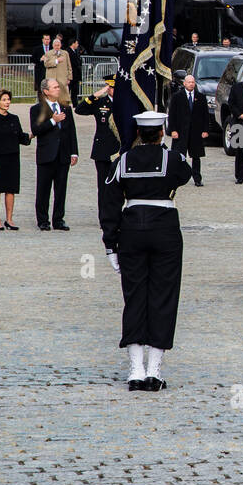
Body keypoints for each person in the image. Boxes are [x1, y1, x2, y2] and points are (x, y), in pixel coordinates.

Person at [100, 110, 194, 391]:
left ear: (139, 133)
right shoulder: (172, 159)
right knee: (163, 297)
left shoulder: (122, 161)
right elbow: (185, 174)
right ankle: (154, 370)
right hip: (164, 229)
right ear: (161, 132)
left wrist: (109, 243)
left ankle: (135, 370)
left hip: (131, 230)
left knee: (135, 297)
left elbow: (109, 202)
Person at [75, 77, 121, 251]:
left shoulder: (125, 103)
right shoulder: (100, 102)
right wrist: (94, 95)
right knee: (103, 187)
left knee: (118, 187)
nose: (114, 91)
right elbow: (80, 109)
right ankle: (105, 219)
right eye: (111, 88)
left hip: (118, 150)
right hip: (103, 151)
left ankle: (117, 216)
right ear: (107, 88)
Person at [30, 78, 79, 231]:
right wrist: (52, 121)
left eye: (58, 87)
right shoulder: (37, 109)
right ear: (46, 91)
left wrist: (74, 152)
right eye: (55, 87)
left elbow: (71, 131)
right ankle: (43, 220)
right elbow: (36, 129)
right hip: (46, 154)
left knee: (61, 189)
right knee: (43, 189)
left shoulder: (65, 108)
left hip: (63, 154)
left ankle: (58, 219)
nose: (58, 89)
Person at [0, 89, 30, 230]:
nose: (7, 102)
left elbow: (20, 137)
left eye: (8, 99)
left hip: (13, 158)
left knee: (11, 189)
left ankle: (9, 219)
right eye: (4, 100)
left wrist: (33, 134)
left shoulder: (14, 118)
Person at [167, 73, 209, 186]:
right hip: (180, 132)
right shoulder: (177, 97)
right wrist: (173, 130)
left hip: (196, 132)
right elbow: (172, 115)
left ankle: (197, 179)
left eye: (192, 82)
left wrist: (205, 130)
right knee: (179, 156)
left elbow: (205, 115)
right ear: (184, 83)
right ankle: (177, 178)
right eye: (189, 82)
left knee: (196, 157)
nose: (191, 84)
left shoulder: (200, 97)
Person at [40, 36, 73, 105]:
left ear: (60, 45)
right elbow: (46, 64)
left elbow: (69, 66)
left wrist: (69, 78)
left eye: (58, 45)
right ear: (52, 45)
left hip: (62, 79)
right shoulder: (48, 53)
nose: (57, 47)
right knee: (52, 96)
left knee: (63, 97)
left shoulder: (65, 53)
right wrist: (56, 61)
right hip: (51, 78)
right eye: (55, 45)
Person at [66, 37, 83, 102]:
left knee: (75, 90)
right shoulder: (68, 51)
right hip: (70, 74)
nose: (77, 45)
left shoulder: (76, 51)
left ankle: (75, 103)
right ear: (73, 44)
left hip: (76, 75)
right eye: (76, 43)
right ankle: (66, 102)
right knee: (68, 89)